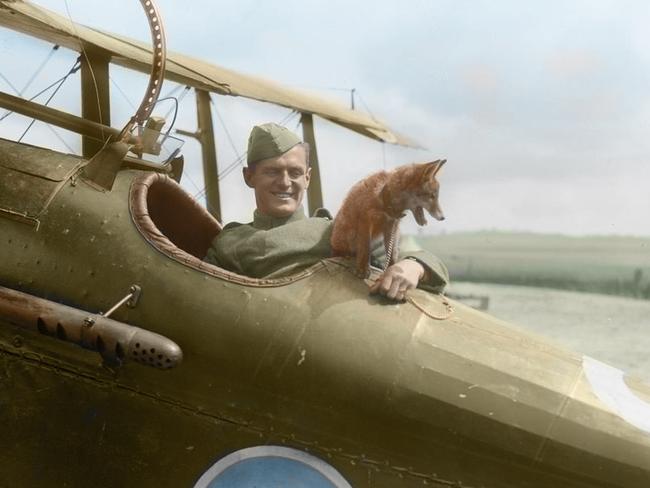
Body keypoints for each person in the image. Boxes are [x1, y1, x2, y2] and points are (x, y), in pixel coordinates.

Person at [204, 123, 448, 301]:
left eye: (295, 173)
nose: (285, 182)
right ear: (249, 177)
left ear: (308, 178)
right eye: (272, 172)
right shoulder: (231, 243)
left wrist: (413, 266)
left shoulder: (334, 230)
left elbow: (424, 260)